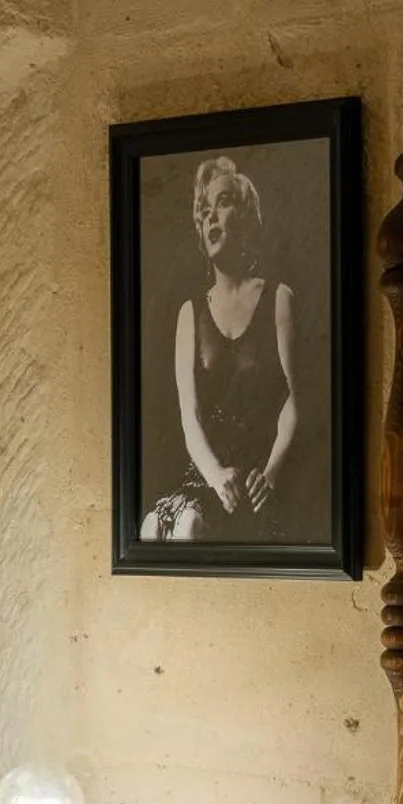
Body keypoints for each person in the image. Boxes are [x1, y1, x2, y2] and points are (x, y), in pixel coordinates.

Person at [142, 154, 301, 543]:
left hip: (258, 481)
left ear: (245, 216)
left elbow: (297, 402)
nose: (211, 217)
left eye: (224, 202)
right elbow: (190, 416)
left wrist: (271, 476)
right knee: (151, 529)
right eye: (204, 211)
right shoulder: (190, 313)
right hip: (206, 478)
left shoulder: (279, 300)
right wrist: (214, 476)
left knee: (190, 530)